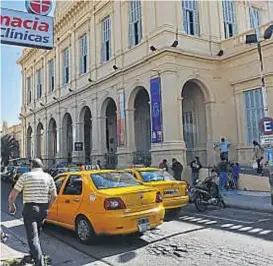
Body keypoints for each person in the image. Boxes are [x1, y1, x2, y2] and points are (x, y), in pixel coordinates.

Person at [8, 158, 57, 266]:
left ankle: (39, 262)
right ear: (42, 166)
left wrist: (12, 205)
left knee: (32, 237)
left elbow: (13, 194)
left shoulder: (25, 176)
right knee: (37, 234)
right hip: (43, 209)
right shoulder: (48, 177)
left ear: (31, 166)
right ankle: (33, 254)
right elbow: (54, 196)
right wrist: (48, 207)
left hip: (30, 209)